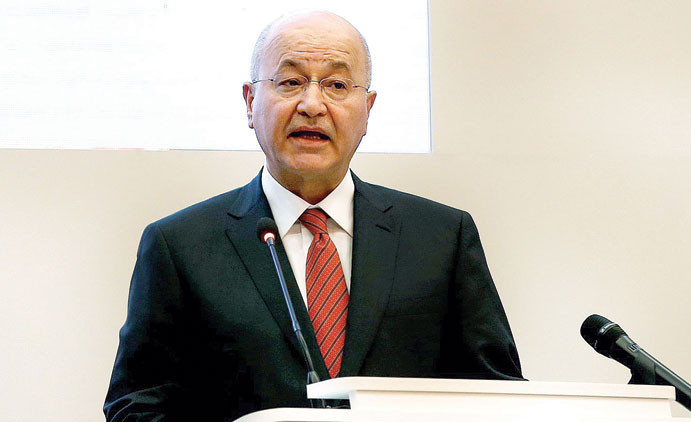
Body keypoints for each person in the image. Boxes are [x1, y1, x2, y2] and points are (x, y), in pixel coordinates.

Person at [104, 10, 523, 422]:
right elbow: (135, 406)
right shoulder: (180, 247)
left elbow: (499, 398)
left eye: (337, 85)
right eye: (290, 82)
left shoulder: (442, 239)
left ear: (368, 109)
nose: (312, 104)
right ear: (250, 102)